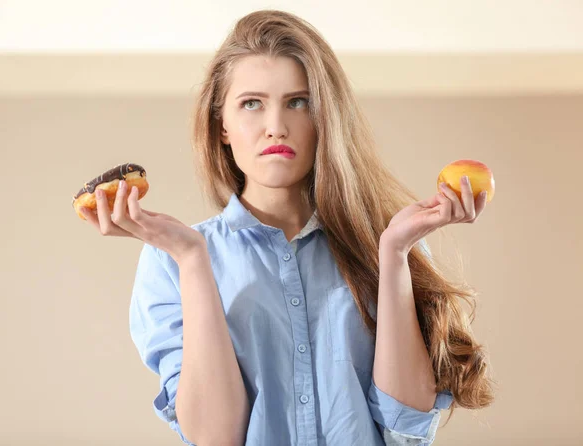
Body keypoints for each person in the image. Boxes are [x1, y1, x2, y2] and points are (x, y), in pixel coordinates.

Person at [81, 9, 494, 446]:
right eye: (252, 103)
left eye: (299, 102)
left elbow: (404, 428)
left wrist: (392, 254)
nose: (275, 126)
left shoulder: (394, 247)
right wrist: (191, 257)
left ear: (324, 119)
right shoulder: (169, 263)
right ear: (222, 125)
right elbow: (215, 437)